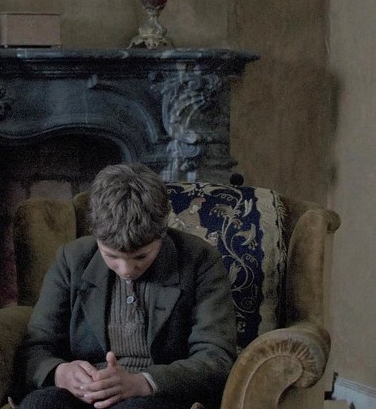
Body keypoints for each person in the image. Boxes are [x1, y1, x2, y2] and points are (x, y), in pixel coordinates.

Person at [16, 163, 236, 409]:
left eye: (141, 256)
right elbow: (36, 347)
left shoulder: (200, 260)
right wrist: (60, 373)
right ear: (95, 235)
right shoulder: (72, 259)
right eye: (111, 256)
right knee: (41, 404)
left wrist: (143, 382)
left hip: (158, 395)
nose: (126, 270)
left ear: (162, 231)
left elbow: (215, 357)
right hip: (84, 395)